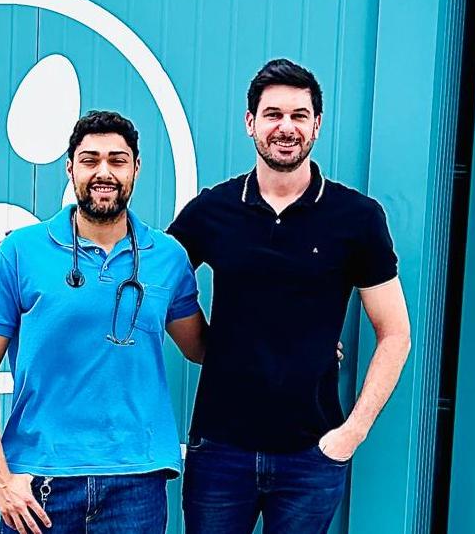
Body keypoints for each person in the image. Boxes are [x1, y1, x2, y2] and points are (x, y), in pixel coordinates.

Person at [168, 59, 412, 533]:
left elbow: (395, 333)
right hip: (220, 451)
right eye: (273, 114)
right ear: (250, 123)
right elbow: (154, 278)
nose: (286, 127)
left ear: (316, 125)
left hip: (312, 454)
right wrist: (205, 346)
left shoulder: (356, 217)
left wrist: (352, 433)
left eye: (299, 115)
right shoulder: (213, 210)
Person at [0, 110, 205, 534]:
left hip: (136, 484)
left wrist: (291, 332)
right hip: (40, 482)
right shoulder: (20, 251)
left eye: (117, 160)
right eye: (90, 160)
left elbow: (202, 348)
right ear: (70, 168)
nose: (103, 172)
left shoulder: (168, 257)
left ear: (136, 168)